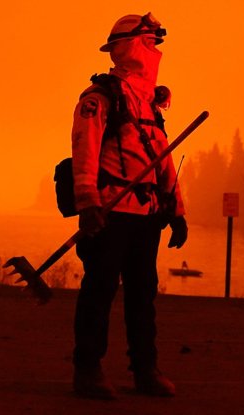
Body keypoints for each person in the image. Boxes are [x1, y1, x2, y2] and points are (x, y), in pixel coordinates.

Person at [70, 12, 188, 400]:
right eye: (150, 43)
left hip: (146, 217)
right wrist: (87, 202)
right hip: (110, 213)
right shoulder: (101, 98)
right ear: (130, 45)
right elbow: (84, 149)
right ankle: (88, 370)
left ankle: (144, 370)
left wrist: (177, 210)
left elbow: (162, 156)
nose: (155, 51)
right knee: (99, 291)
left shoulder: (150, 103)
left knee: (142, 295)